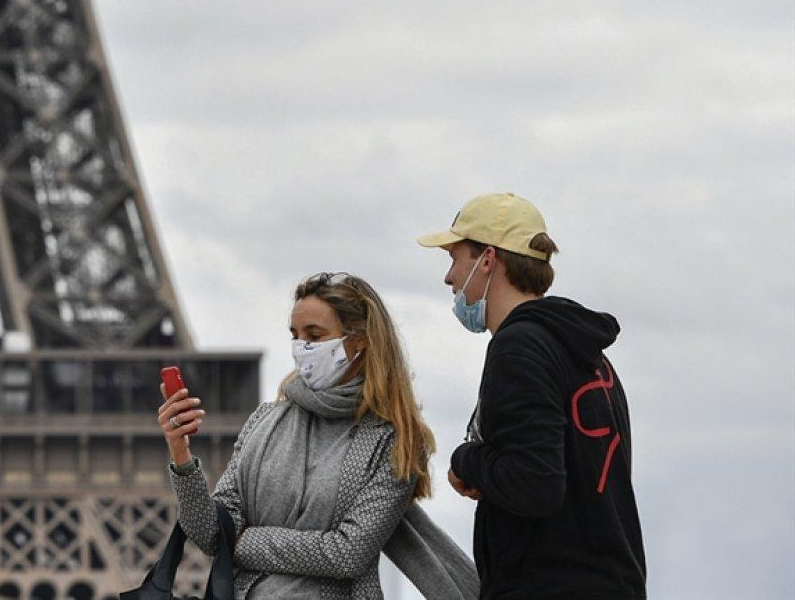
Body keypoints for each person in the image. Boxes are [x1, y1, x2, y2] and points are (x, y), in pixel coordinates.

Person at [157, 272, 475, 599]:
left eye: (315, 335)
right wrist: (181, 456)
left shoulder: (392, 441)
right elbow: (213, 536)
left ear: (359, 339)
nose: (301, 347)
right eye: (295, 335)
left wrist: (246, 540)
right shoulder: (263, 421)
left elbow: (348, 554)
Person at [417, 193, 646, 599]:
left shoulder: (518, 347)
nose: (449, 278)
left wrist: (466, 461)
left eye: (455, 259)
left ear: (488, 260)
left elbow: (535, 484)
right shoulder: (590, 355)